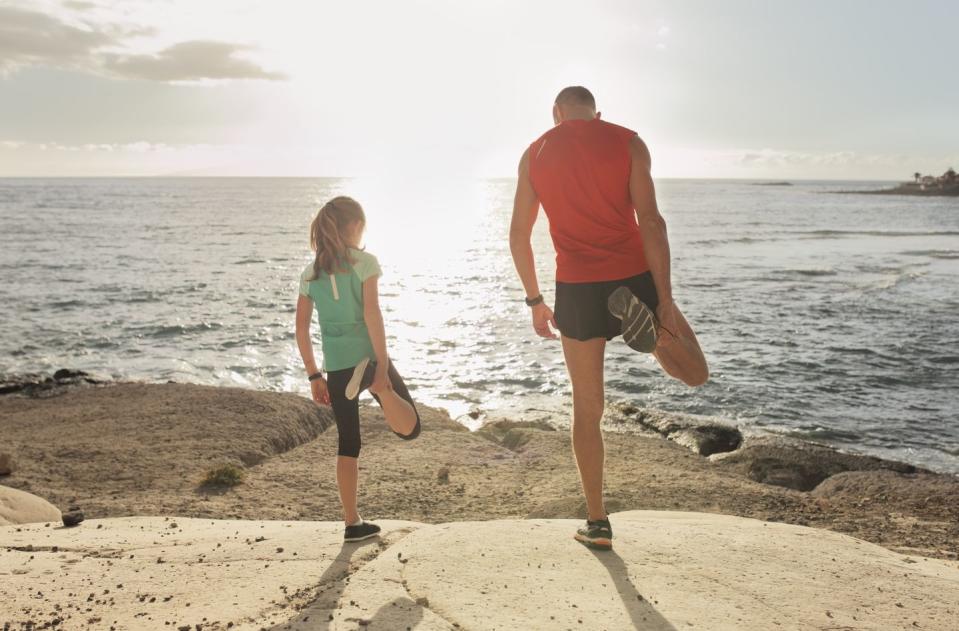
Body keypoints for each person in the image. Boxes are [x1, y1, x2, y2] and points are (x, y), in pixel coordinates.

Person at [509, 86, 709, 551]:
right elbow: (652, 222)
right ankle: (655, 336)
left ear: (556, 113)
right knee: (695, 374)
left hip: (576, 287)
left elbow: (519, 234)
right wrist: (664, 299)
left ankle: (597, 521)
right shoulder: (627, 141)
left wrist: (535, 300)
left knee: (587, 408)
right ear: (597, 114)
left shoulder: (535, 152)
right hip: (633, 275)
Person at [295, 196, 421, 542]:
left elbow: (301, 329)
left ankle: (352, 523)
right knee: (410, 428)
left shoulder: (311, 273)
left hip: (336, 365)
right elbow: (372, 314)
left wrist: (314, 375)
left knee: (348, 443)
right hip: (367, 356)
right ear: (353, 226)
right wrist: (382, 365)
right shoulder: (365, 263)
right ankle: (376, 385)